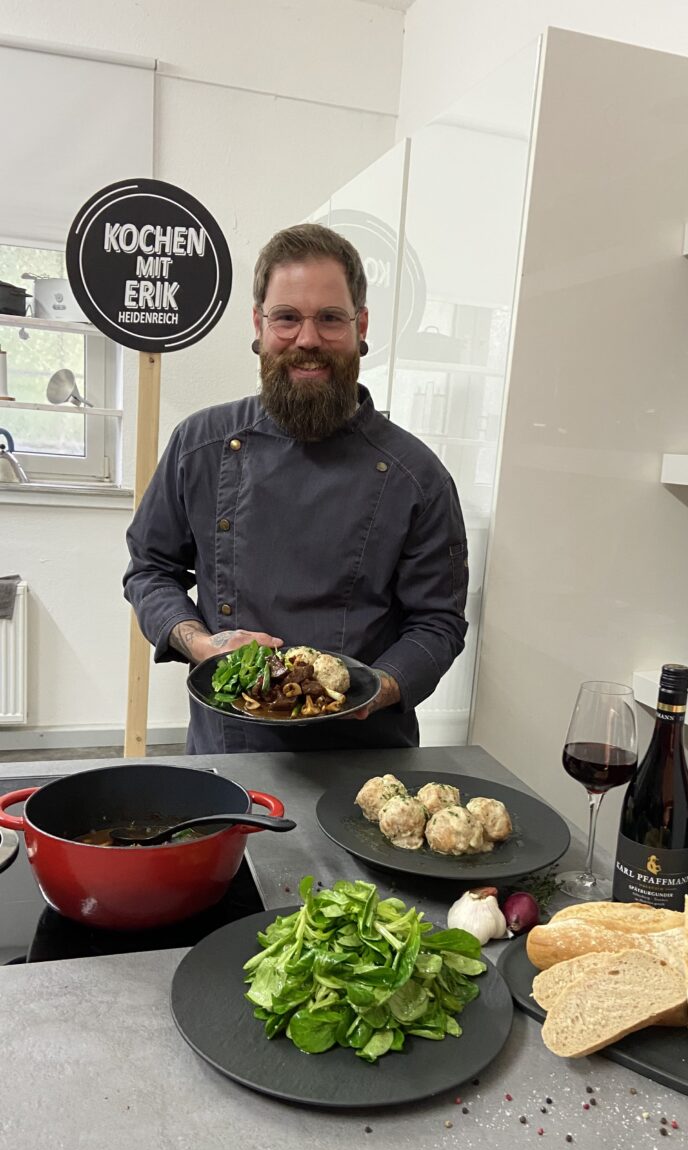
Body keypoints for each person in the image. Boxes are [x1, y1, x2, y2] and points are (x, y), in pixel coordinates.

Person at [123, 223, 469, 754]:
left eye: (330, 318)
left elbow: (438, 622)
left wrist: (376, 689)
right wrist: (200, 642)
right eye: (287, 318)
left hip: (363, 758)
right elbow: (150, 569)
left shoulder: (415, 476)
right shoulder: (201, 445)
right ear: (260, 325)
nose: (308, 339)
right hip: (229, 749)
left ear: (361, 326)